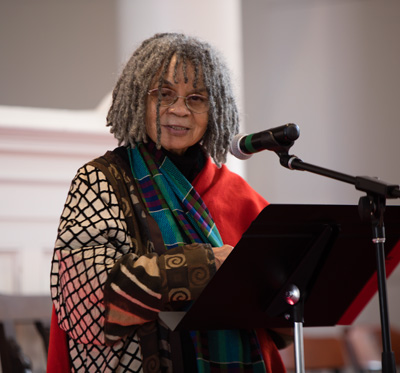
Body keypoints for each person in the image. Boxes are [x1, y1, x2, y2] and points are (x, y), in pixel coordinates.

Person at [49, 32, 289, 372]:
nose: (179, 110)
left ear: (215, 110)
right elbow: (90, 304)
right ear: (137, 100)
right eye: (163, 94)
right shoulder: (100, 181)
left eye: (196, 98)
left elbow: (282, 325)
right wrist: (206, 267)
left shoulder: (243, 197)